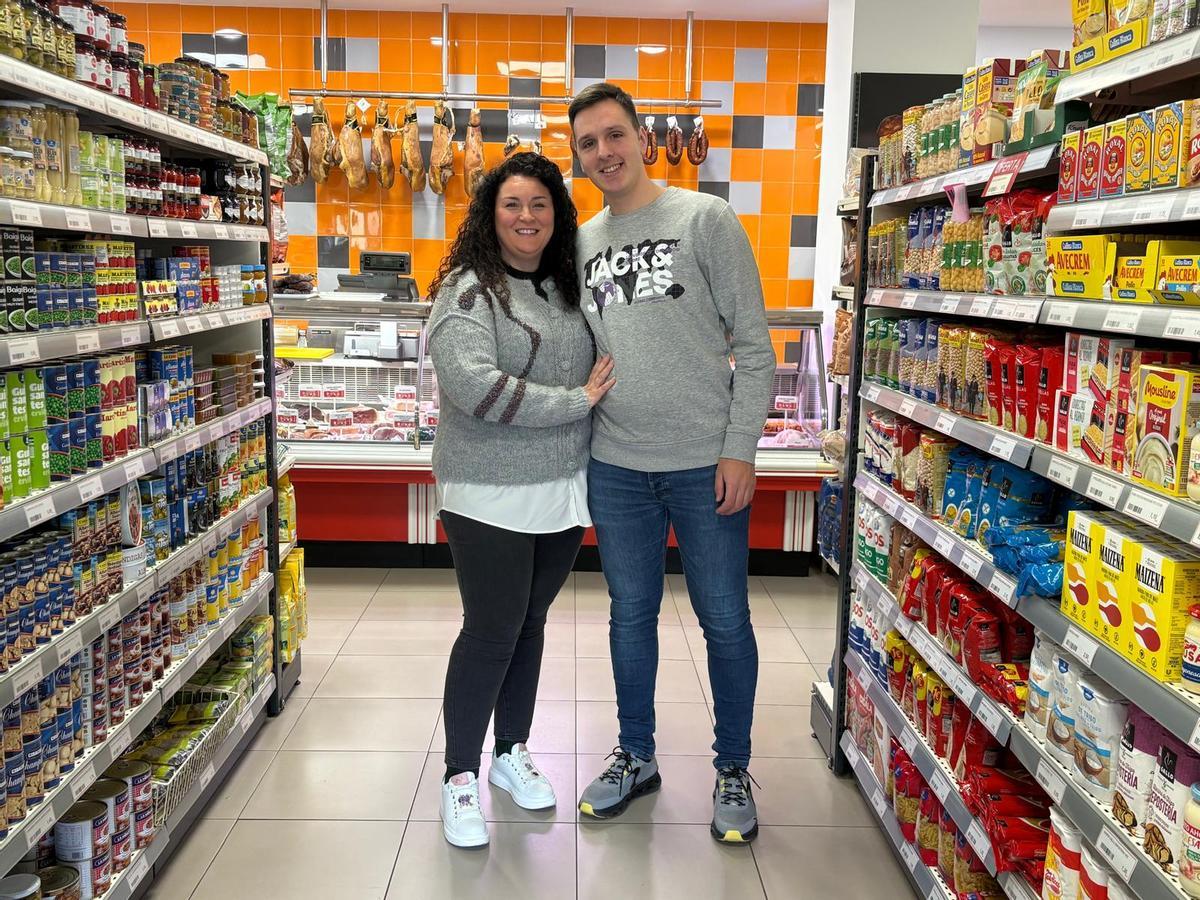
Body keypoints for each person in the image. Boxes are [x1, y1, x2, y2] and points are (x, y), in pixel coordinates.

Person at [568, 82, 775, 843]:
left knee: (724, 618)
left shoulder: (705, 219)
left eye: (614, 134)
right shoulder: (580, 243)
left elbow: (755, 347)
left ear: (642, 138)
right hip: (617, 465)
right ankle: (637, 755)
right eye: (588, 143)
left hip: (702, 465)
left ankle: (732, 767)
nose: (605, 152)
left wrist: (739, 449)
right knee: (630, 615)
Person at [426, 152, 615, 848]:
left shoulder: (569, 287)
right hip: (487, 488)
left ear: (557, 214)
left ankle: (510, 752)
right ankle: (458, 776)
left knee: (529, 623)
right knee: (491, 628)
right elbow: (472, 385)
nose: (527, 216)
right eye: (512, 204)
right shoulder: (469, 291)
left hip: (560, 486)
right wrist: (575, 402)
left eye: (540, 204)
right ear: (491, 213)